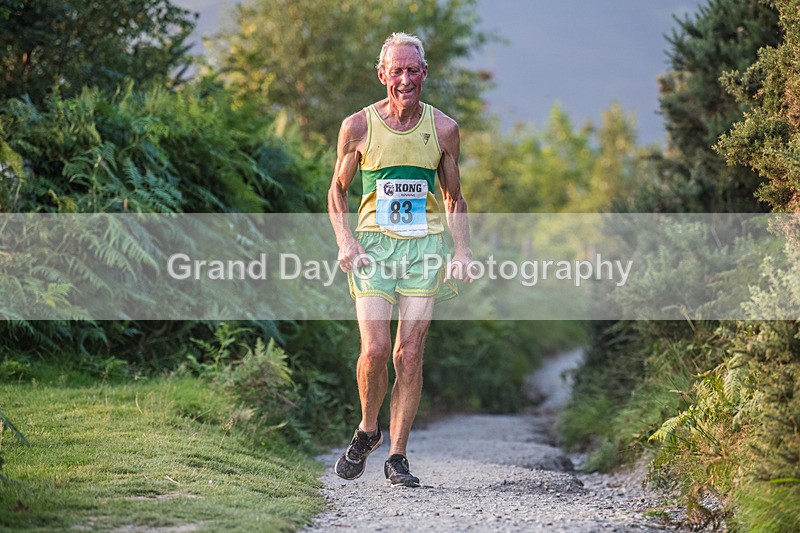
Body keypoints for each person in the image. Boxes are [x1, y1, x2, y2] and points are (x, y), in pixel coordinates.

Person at [327, 32, 473, 488]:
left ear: (424, 73)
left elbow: (454, 197)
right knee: (374, 352)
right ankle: (368, 429)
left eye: (413, 70)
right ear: (382, 73)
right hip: (373, 248)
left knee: (408, 353)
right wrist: (345, 241)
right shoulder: (358, 126)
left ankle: (397, 455)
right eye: (397, 70)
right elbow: (337, 189)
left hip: (424, 250)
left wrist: (462, 252)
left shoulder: (443, 129)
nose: (405, 79)